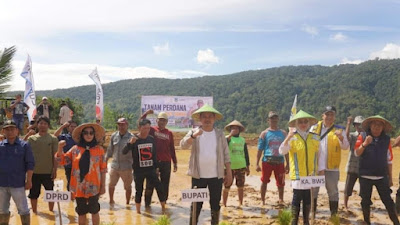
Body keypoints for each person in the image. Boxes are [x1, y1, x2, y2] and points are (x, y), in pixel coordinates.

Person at [180, 104, 232, 225]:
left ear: (214, 119)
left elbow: (226, 154)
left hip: (216, 177)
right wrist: (193, 136)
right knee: (196, 206)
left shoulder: (219, 135)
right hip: (198, 177)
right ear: (200, 119)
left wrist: (228, 172)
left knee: (215, 205)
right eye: (204, 117)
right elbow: (182, 145)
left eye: (210, 116)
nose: (207, 119)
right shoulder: (194, 132)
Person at [56, 123, 106, 225]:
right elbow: (62, 161)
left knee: (95, 211)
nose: (89, 135)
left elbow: (103, 170)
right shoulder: (75, 149)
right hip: (79, 187)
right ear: (82, 135)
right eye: (86, 133)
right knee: (81, 212)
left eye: (91, 133)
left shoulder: (99, 150)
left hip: (94, 186)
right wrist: (60, 148)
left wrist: (103, 186)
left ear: (94, 135)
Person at [354, 115, 399, 225]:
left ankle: (396, 222)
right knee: (365, 201)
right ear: (370, 125)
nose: (377, 127)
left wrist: (390, 177)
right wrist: (365, 144)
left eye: (380, 125)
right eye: (374, 124)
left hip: (381, 176)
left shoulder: (387, 139)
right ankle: (367, 221)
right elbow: (356, 153)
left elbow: (389, 159)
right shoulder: (362, 136)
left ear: (383, 127)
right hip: (365, 175)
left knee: (388, 201)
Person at [279, 110, 320, 225]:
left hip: (310, 175)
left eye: (305, 122)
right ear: (296, 124)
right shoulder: (293, 137)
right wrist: (288, 137)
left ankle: (306, 221)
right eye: (300, 122)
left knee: (308, 199)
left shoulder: (315, 138)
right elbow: (282, 151)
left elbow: (320, 156)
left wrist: (320, 171)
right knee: (297, 198)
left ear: (309, 124)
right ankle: (294, 222)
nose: (303, 124)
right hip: (297, 175)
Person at [310, 106, 349, 216]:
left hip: (332, 168)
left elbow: (346, 147)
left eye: (332, 114)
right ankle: (312, 214)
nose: (329, 117)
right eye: (327, 114)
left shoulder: (340, 129)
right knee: (313, 191)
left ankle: (333, 215)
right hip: (316, 167)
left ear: (335, 117)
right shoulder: (313, 129)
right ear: (322, 116)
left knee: (333, 192)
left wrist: (341, 138)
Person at [122, 119, 166, 214]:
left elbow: (154, 155)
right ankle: (138, 212)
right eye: (144, 128)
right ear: (139, 128)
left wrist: (156, 168)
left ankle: (164, 208)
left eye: (148, 128)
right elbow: (124, 152)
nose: (146, 130)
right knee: (139, 190)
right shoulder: (134, 139)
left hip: (151, 170)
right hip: (138, 171)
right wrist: (130, 143)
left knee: (159, 187)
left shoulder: (151, 139)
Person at [140, 110, 178, 207]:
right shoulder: (152, 130)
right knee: (150, 184)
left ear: (166, 122)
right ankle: (147, 205)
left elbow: (172, 148)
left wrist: (175, 163)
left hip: (166, 162)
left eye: (164, 120)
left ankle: (164, 204)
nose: (162, 122)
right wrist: (146, 113)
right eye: (160, 120)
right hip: (153, 162)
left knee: (165, 184)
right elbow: (141, 122)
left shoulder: (169, 133)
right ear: (156, 121)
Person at [0, 120, 34, 225]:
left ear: (17, 131)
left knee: (23, 210)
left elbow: (30, 164)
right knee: (2, 210)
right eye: (7, 130)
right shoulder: (0, 146)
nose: (10, 132)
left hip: (18, 183)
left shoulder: (24, 146)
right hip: (2, 184)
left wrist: (29, 180)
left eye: (12, 129)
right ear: (3, 131)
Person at [256, 111, 289, 205]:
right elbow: (259, 150)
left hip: (280, 161)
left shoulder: (283, 133)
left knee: (281, 182)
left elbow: (286, 150)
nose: (274, 120)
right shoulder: (264, 134)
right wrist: (257, 164)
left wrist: (288, 164)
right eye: (272, 119)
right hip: (267, 161)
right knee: (264, 181)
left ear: (278, 120)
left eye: (275, 118)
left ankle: (281, 199)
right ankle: (262, 200)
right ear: (268, 120)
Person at [27, 116, 58, 214]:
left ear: (48, 126)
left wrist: (55, 170)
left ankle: (51, 211)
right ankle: (35, 213)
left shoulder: (53, 139)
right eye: (41, 123)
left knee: (50, 193)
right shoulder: (31, 139)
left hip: (48, 171)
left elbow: (55, 156)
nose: (43, 125)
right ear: (37, 124)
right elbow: (24, 152)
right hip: (34, 172)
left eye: (45, 123)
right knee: (33, 194)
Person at [106, 118, 133, 205]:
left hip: (127, 167)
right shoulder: (114, 136)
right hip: (115, 165)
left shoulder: (131, 137)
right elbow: (110, 150)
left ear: (127, 125)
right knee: (111, 184)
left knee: (128, 187)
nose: (121, 127)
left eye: (123, 125)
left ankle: (127, 203)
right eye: (119, 125)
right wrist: (105, 161)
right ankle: (111, 201)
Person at [223, 120, 250, 207]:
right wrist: (230, 135)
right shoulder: (227, 138)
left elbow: (246, 153)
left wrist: (248, 166)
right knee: (227, 185)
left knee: (241, 186)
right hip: (229, 167)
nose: (235, 130)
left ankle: (240, 203)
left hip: (241, 166)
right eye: (233, 128)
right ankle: (224, 204)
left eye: (236, 128)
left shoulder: (242, 140)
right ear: (230, 129)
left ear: (239, 130)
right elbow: (223, 146)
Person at [343, 115, 364, 209]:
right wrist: (348, 124)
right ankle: (345, 205)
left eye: (361, 125)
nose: (359, 127)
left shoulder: (366, 136)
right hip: (352, 166)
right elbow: (346, 137)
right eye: (357, 125)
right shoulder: (353, 135)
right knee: (348, 188)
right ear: (354, 125)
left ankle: (363, 205)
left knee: (364, 189)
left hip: (363, 167)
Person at [54, 121, 78, 192]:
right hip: (68, 163)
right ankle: (71, 198)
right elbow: (55, 136)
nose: (73, 128)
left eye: (75, 126)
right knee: (70, 182)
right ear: (68, 128)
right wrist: (62, 126)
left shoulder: (80, 137)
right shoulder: (64, 137)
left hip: (79, 164)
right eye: (71, 126)